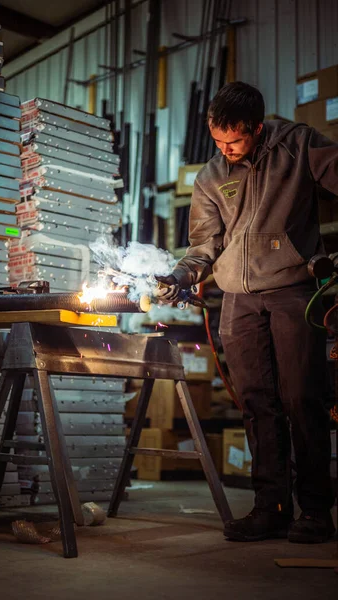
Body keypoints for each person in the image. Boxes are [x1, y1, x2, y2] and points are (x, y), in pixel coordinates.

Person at [157, 81, 336, 543]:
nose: (227, 150)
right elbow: (203, 247)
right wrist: (180, 277)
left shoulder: (298, 144)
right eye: (218, 141)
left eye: (235, 141)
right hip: (237, 301)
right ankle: (270, 507)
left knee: (303, 400)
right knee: (258, 405)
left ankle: (315, 511)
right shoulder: (212, 176)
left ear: (257, 128)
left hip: (294, 292)